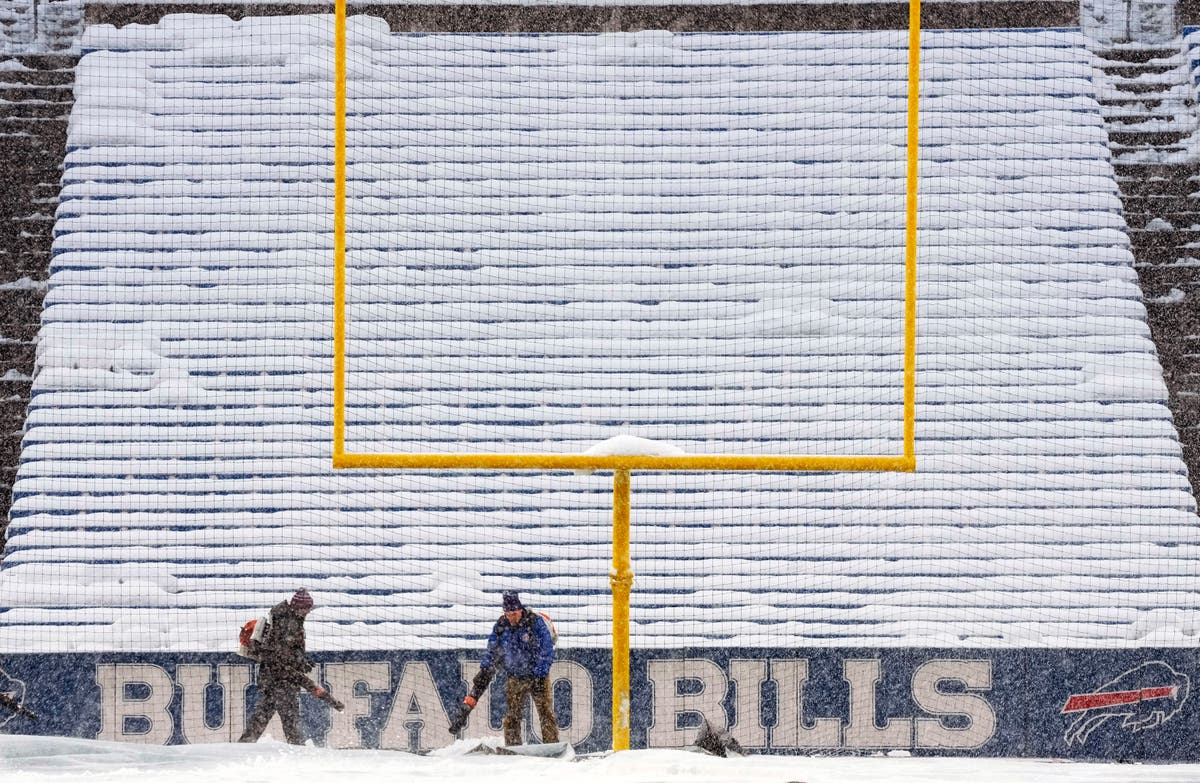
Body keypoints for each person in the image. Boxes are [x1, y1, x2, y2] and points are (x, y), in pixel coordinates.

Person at [449, 590, 559, 746]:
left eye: (514, 613)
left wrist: (540, 673)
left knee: (545, 713)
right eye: (508, 613)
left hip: (537, 676)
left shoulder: (535, 623)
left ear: (520, 610)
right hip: (515, 677)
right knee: (513, 715)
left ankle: (551, 745)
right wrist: (485, 669)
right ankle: (513, 746)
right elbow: (492, 651)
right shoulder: (501, 627)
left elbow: (547, 649)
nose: (511, 617)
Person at [239, 588, 321, 744]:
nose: (308, 612)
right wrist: (300, 662)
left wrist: (301, 660)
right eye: (306, 609)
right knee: (290, 719)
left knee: (262, 716)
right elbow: (282, 655)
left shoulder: (284, 618)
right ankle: (298, 748)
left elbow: (283, 652)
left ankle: (245, 744)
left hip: (272, 678)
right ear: (299, 607)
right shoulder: (287, 623)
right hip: (281, 680)